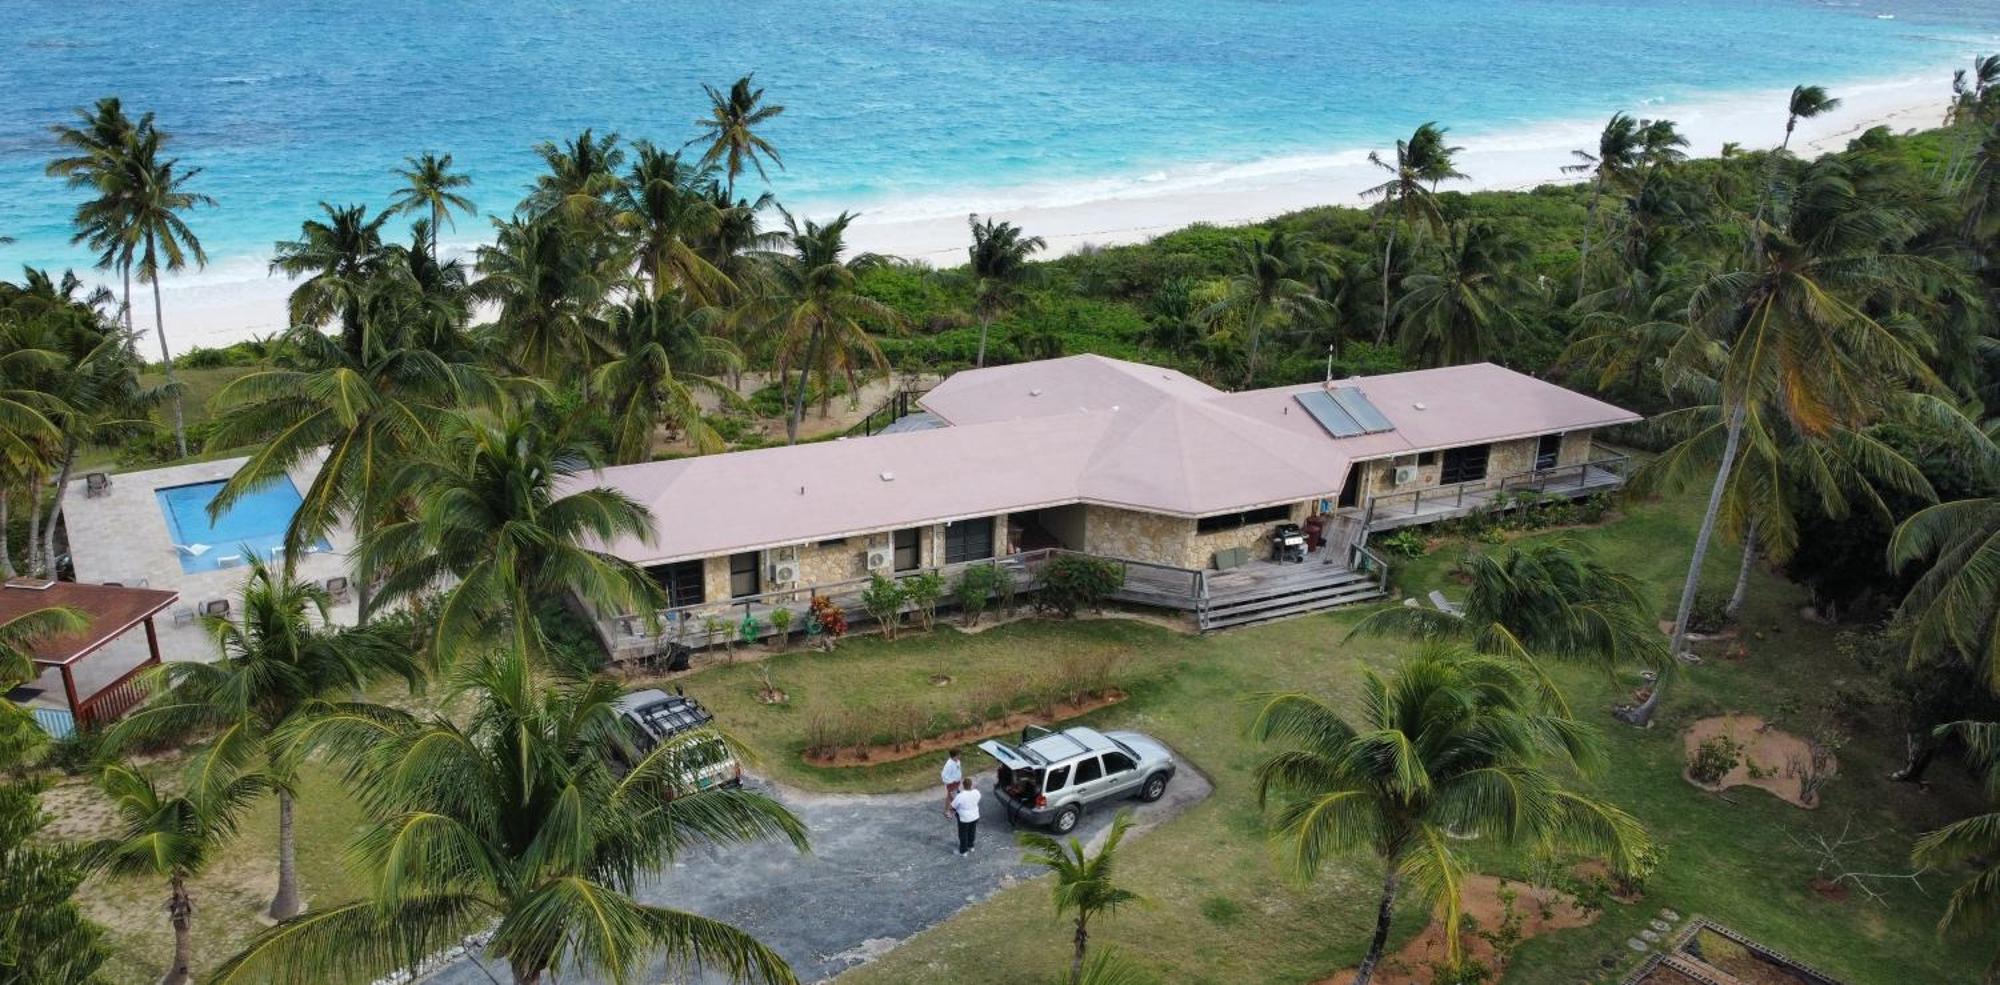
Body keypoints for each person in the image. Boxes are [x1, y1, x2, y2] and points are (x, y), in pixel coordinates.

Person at [950, 783, 981, 856]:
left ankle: (963, 851)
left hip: (964, 818)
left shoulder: (960, 796)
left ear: (963, 786)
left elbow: (953, 806)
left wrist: (954, 797)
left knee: (963, 834)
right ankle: (971, 846)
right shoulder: (976, 792)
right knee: (972, 831)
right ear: (971, 785)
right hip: (975, 816)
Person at [940, 748, 964, 817]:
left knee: (949, 796)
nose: (960, 756)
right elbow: (944, 775)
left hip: (957, 782)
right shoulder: (949, 764)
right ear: (955, 756)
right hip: (951, 783)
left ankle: (946, 810)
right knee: (953, 798)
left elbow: (958, 770)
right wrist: (951, 781)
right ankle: (950, 812)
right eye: (959, 755)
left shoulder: (958, 761)